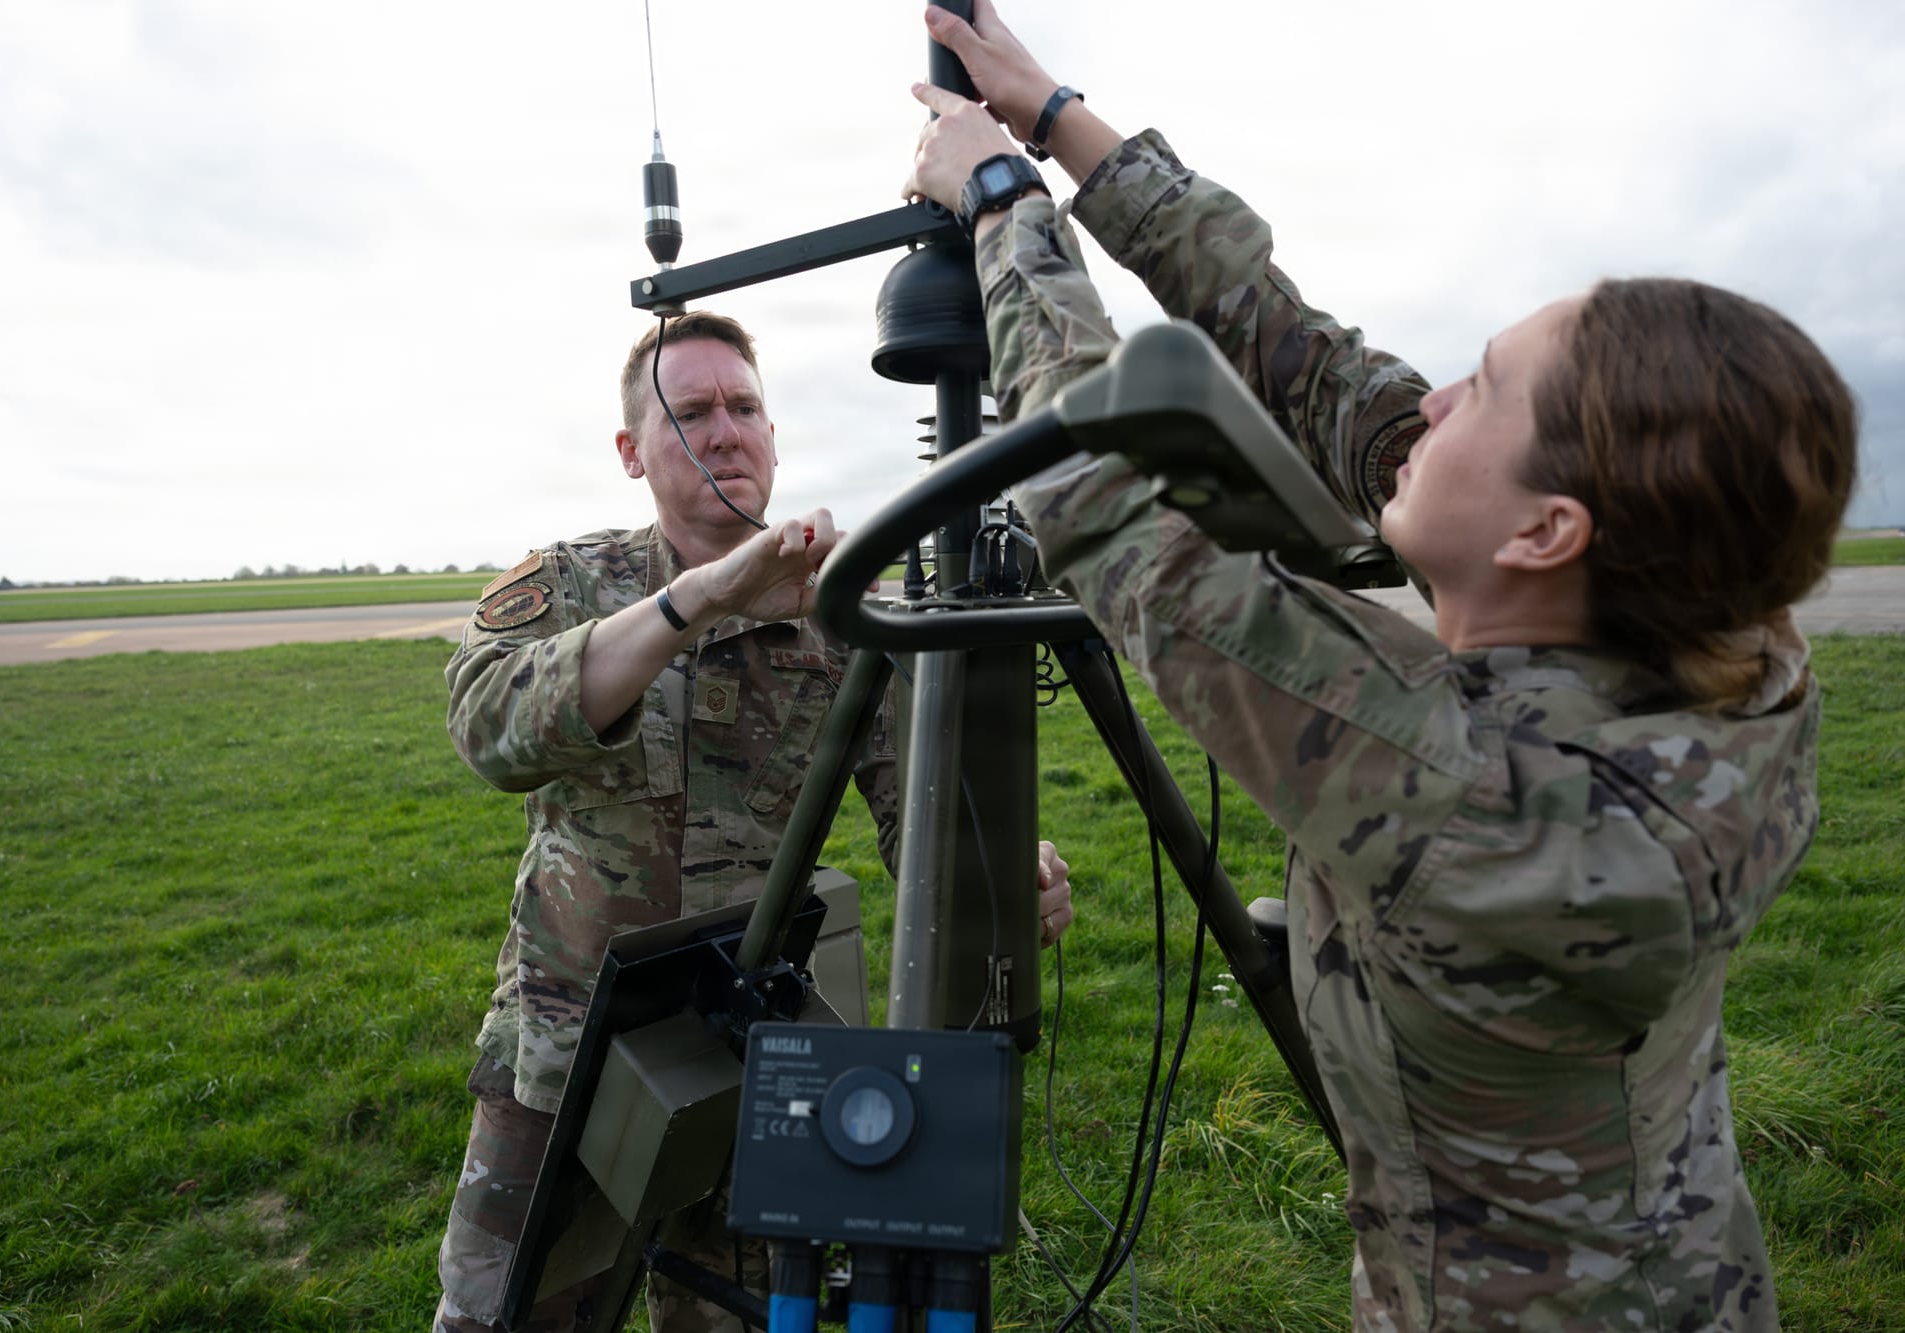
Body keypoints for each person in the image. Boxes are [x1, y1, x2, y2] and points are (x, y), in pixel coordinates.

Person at [898, 4, 1858, 1330]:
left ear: (1543, 533)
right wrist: (1054, 116)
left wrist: (999, 203)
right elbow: (1318, 367)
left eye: (1481, 384)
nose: (1434, 404)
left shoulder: (1489, 805)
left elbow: (1111, 513)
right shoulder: (1721, 648)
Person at [435, 310, 1076, 1333]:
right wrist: (702, 597)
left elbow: (921, 826)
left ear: (772, 433)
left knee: (726, 1315)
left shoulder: (843, 617)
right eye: (690, 412)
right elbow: (488, 729)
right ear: (631, 452)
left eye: (743, 407)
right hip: (563, 1056)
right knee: (506, 1314)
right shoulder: (571, 583)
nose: (725, 430)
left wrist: (1002, 885)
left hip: (747, 1055)